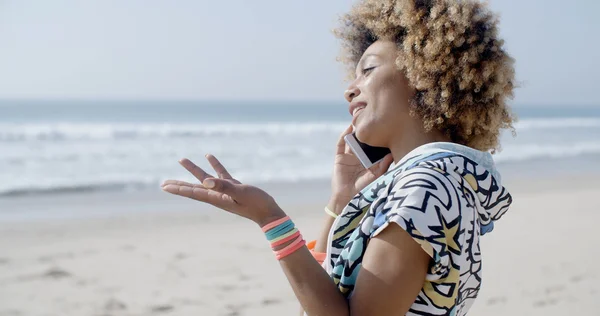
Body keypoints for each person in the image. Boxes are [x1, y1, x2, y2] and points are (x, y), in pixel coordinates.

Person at [161, 0, 516, 314]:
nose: (350, 88)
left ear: (426, 74)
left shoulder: (425, 187)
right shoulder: (433, 181)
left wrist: (271, 219)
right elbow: (318, 307)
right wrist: (340, 201)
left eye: (369, 70)